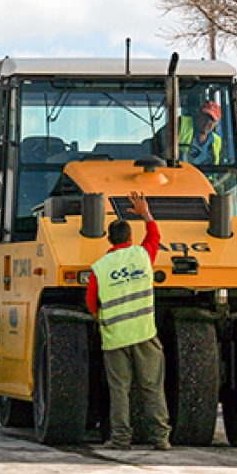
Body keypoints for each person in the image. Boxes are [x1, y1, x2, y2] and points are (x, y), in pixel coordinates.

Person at [85, 190, 171, 451]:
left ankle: (121, 439)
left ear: (108, 240)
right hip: (144, 334)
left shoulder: (99, 268)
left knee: (119, 390)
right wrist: (145, 213)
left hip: (115, 339)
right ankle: (161, 438)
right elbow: (154, 235)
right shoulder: (143, 256)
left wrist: (104, 320)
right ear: (130, 238)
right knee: (152, 387)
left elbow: (91, 303)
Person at [179, 101, 223, 166]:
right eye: (206, 117)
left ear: (216, 123)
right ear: (198, 115)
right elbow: (160, 146)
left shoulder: (217, 141)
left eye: (212, 119)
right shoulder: (181, 124)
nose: (208, 122)